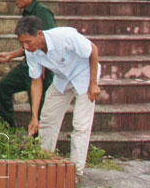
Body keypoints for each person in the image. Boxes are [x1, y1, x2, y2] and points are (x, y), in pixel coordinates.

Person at [16, 15, 100, 177]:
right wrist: (34, 117)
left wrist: (94, 84)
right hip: (62, 80)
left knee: (80, 125)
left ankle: (76, 172)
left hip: (85, 77)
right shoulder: (32, 53)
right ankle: (42, 163)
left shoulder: (65, 36)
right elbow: (36, 82)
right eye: (22, 43)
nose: (25, 47)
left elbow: (93, 50)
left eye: (28, 42)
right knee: (47, 118)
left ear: (39, 34)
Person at [0, 0, 56, 127]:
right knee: (2, 87)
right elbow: (30, 45)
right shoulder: (27, 13)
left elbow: (49, 40)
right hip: (28, 63)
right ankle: (6, 128)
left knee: (38, 106)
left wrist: (46, 65)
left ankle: (38, 143)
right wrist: (10, 55)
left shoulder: (42, 11)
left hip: (42, 67)